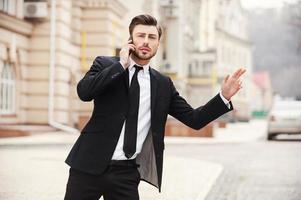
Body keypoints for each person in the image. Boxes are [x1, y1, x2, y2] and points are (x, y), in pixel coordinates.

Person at [64, 14, 246, 200]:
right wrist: (121, 66)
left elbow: (194, 119)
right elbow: (84, 92)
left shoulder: (162, 84)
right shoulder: (105, 64)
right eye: (140, 35)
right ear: (130, 40)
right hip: (87, 166)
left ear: (158, 44)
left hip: (125, 173)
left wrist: (223, 97)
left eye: (152, 37)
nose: (145, 41)